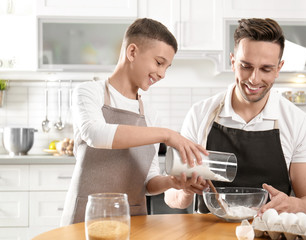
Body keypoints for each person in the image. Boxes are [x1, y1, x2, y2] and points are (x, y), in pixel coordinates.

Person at [164, 18, 306, 215]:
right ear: (233, 62)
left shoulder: (298, 123)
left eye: (266, 69)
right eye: (246, 66)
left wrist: (294, 205)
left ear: (278, 68)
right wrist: (185, 192)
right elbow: (171, 197)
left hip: (270, 233)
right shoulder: (200, 114)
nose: (254, 79)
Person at [60, 18, 207, 226]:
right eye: (159, 62)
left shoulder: (151, 115)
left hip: (132, 221)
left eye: (167, 67)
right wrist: (167, 134)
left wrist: (171, 182)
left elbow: (149, 182)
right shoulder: (88, 92)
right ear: (132, 52)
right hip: (85, 218)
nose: (163, 74)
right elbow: (96, 134)